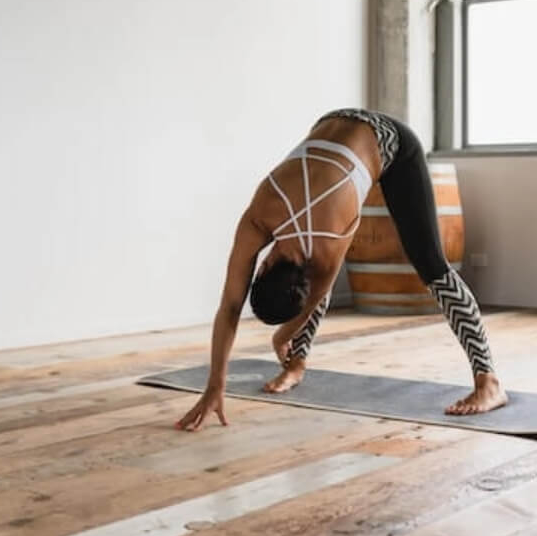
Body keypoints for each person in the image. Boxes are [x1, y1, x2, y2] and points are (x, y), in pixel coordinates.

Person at [175, 109, 507, 431]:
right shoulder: (261, 214)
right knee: (320, 282)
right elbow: (237, 306)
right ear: (263, 268)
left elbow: (266, 302)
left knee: (433, 267)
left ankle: (489, 381)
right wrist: (215, 385)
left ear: (261, 268)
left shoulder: (329, 237)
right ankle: (297, 365)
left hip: (392, 142)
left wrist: (282, 336)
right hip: (335, 123)